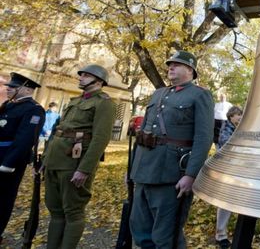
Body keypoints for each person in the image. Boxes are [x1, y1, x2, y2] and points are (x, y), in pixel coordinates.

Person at [130, 51, 213, 248]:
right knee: (140, 232)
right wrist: (134, 167)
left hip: (171, 174)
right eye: (170, 65)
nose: (170, 68)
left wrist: (191, 175)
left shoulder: (200, 95)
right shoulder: (159, 94)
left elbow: (203, 138)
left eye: (177, 65)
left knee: (166, 237)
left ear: (190, 70)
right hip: (143, 171)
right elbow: (144, 132)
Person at [43, 64, 116, 248]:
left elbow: (100, 138)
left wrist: (84, 169)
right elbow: (57, 131)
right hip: (55, 161)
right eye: (81, 74)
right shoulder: (75, 101)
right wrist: (45, 160)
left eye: (86, 75)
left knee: (73, 212)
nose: (80, 77)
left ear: (98, 81)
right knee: (55, 210)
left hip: (74, 163)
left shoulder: (104, 103)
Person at [0, 73, 45, 245]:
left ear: (26, 89)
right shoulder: (8, 105)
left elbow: (24, 140)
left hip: (9, 162)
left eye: (12, 87)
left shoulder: (34, 109)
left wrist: (8, 163)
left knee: (3, 199)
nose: (8, 88)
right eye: (8, 86)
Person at [215, 106, 243, 249]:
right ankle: (221, 235)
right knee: (225, 201)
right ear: (230, 116)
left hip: (241, 169)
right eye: (237, 115)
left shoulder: (243, 128)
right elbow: (228, 145)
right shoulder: (226, 129)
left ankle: (242, 232)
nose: (239, 117)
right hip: (227, 169)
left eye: (241, 115)